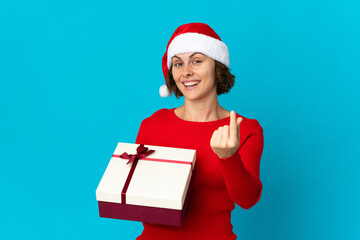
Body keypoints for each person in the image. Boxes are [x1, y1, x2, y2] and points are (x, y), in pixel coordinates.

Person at [135, 23, 264, 240]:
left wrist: (228, 157)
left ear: (217, 66)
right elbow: (139, 199)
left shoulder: (245, 129)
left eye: (196, 61)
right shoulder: (152, 125)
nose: (186, 72)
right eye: (178, 64)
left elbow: (247, 200)